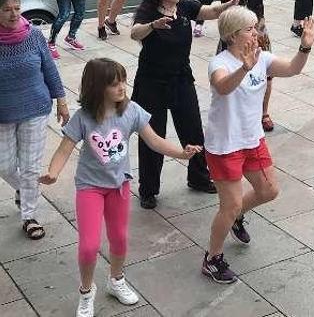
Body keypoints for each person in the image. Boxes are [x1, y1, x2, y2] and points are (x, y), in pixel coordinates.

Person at [38, 58, 198, 317]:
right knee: (89, 245)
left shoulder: (131, 111)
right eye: (114, 84)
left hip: (119, 186)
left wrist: (182, 154)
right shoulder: (83, 118)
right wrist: (53, 173)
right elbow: (64, 149)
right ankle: (86, 291)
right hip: (90, 187)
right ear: (97, 87)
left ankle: (116, 280)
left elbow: (155, 141)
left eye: (123, 80)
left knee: (120, 239)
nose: (122, 87)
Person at [201, 8, 314, 284]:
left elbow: (293, 69)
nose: (257, 33)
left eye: (257, 27)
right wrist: (244, 68)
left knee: (269, 190)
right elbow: (223, 88)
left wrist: (305, 47)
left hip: (252, 140)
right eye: (251, 28)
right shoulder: (220, 63)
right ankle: (212, 259)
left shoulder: (263, 59)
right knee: (229, 205)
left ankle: (237, 217)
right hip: (225, 145)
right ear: (232, 35)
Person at [130, 0, 240, 209]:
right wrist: (153, 26)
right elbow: (135, 32)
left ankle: (199, 177)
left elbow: (210, 11)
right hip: (151, 82)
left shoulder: (185, 6)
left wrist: (228, 4)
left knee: (192, 130)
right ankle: (148, 189)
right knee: (153, 135)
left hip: (181, 78)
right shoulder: (149, 11)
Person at [0, 0, 68, 240]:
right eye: (6, 10)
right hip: (3, 113)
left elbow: (49, 68)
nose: (13, 14)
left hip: (35, 108)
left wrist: (61, 100)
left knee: (30, 168)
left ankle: (29, 215)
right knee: (4, 164)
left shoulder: (34, 35)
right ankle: (23, 188)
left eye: (16, 8)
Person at [218, 0, 277, 132]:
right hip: (234, 37)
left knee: (266, 75)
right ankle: (236, 112)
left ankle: (264, 113)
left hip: (258, 33)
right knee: (233, 73)